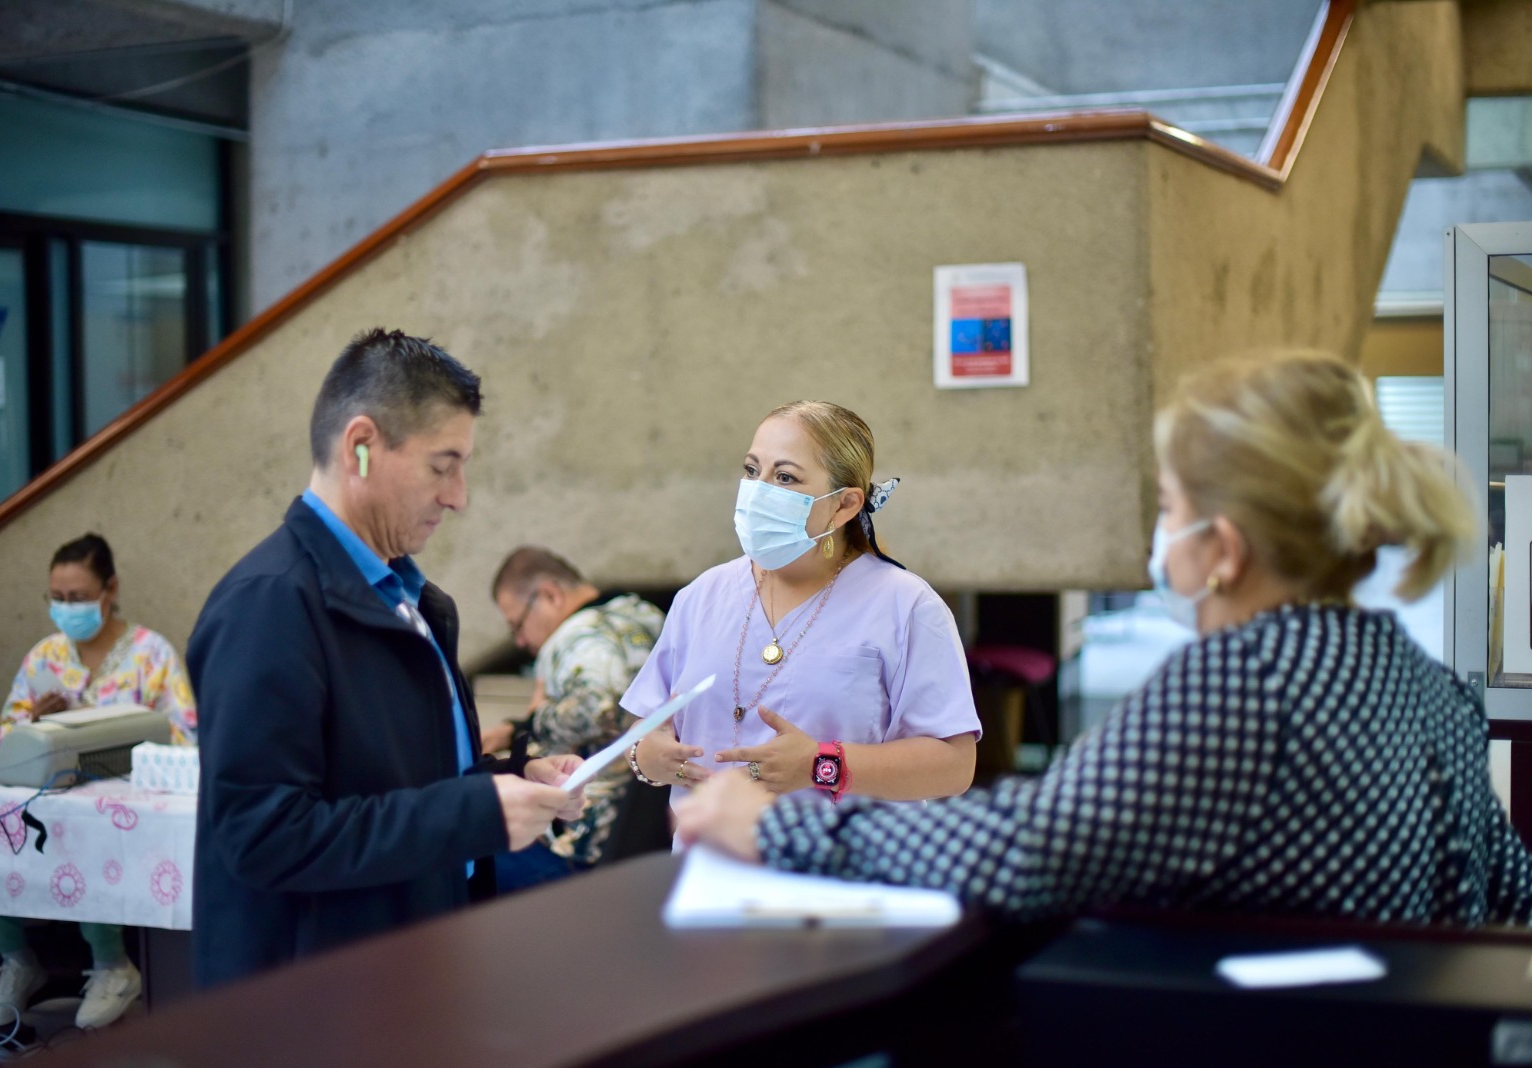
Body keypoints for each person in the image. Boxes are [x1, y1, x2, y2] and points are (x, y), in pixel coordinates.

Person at [678, 351, 1532, 927]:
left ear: (1224, 550)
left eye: (1166, 508)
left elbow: (1039, 841)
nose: (1158, 535)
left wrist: (781, 829)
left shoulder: (1246, 682)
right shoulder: (1425, 684)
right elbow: (1507, 889)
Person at [188, 328, 585, 989]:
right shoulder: (269, 606)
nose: (458, 496)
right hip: (318, 1001)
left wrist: (512, 777)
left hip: (413, 963)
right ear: (362, 448)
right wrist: (476, 812)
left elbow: (395, 773)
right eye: (442, 465)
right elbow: (264, 834)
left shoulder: (409, 598)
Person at [622, 400, 981, 827]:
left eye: (785, 477)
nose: (758, 490)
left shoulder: (905, 606)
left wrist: (822, 764)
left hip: (842, 879)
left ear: (845, 505)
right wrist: (645, 753)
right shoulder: (702, 596)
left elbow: (955, 766)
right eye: (752, 471)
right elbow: (647, 720)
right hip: (710, 873)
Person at [0, 532, 197, 1031]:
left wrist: (117, 728)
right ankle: (16, 960)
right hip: (50, 796)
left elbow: (186, 733)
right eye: (57, 599)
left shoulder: (150, 654)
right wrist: (33, 720)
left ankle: (112, 967)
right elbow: (6, 735)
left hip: (125, 808)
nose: (66, 608)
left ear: (109, 589)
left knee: (89, 832)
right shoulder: (44, 658)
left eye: (77, 598)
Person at [487, 547, 665, 891]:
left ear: (550, 595)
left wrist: (535, 719)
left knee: (463, 868)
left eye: (517, 625)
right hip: (640, 828)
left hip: (585, 841)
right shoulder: (639, 616)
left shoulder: (578, 635)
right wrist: (514, 729)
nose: (521, 641)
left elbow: (597, 708)